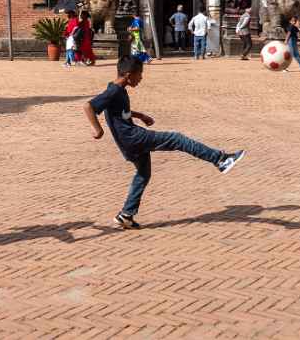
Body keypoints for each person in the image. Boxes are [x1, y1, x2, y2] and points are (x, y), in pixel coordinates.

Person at [84, 56, 246, 229]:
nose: (141, 78)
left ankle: (126, 214)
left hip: (128, 142)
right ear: (129, 75)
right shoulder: (114, 91)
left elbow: (120, 111)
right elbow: (88, 106)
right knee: (177, 139)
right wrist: (98, 130)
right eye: (140, 74)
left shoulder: (117, 88)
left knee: (143, 174)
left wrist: (140, 115)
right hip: (134, 138)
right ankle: (220, 159)